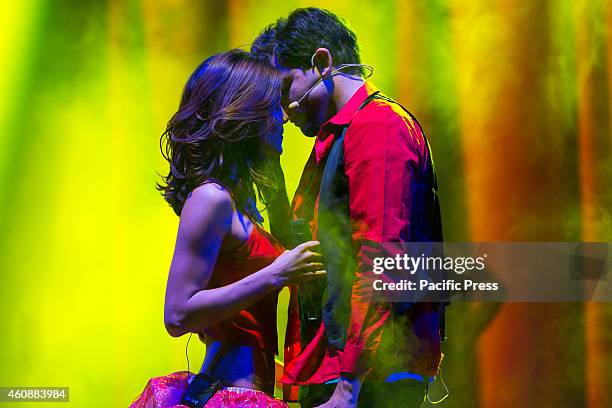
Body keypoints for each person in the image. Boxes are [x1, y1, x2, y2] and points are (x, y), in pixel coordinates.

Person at [252, 8, 445, 408]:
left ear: (321, 63)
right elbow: (310, 256)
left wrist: (348, 387)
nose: (284, 111)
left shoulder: (378, 127)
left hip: (370, 375)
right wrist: (270, 176)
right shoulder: (337, 135)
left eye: (286, 87)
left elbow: (381, 260)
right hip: (340, 368)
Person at [129, 49, 325, 408]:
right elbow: (177, 314)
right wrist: (276, 274)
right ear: (244, 112)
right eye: (271, 107)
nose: (282, 117)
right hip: (228, 393)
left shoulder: (238, 201)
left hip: (249, 389)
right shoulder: (211, 198)